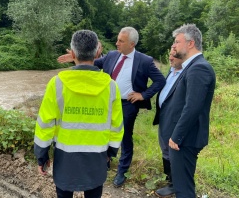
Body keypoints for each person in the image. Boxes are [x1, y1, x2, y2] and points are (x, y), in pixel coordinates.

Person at [58, 27, 166, 187]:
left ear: (132, 43)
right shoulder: (112, 55)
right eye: (117, 39)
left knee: (124, 136)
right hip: (106, 102)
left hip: (127, 104)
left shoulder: (145, 61)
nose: (117, 43)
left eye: (121, 41)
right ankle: (105, 161)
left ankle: (122, 171)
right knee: (105, 132)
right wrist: (76, 57)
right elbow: (92, 63)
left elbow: (160, 81)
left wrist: (143, 95)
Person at [34, 29, 124, 198]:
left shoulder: (57, 83)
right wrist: (110, 153)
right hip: (97, 157)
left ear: (73, 53)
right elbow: (117, 125)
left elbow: (45, 123)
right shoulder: (111, 86)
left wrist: (42, 156)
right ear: (98, 52)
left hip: (65, 159)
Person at [158, 24, 216, 198]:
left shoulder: (199, 68)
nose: (173, 46)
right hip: (183, 138)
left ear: (190, 43)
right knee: (182, 184)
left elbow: (193, 106)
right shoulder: (189, 67)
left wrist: (177, 136)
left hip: (185, 139)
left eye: (177, 42)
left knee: (184, 188)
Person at [152, 49, 183, 197]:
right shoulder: (172, 71)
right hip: (165, 116)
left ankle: (175, 185)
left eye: (173, 56)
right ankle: (170, 180)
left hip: (175, 119)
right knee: (165, 148)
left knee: (173, 151)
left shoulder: (185, 73)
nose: (170, 58)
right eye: (169, 55)